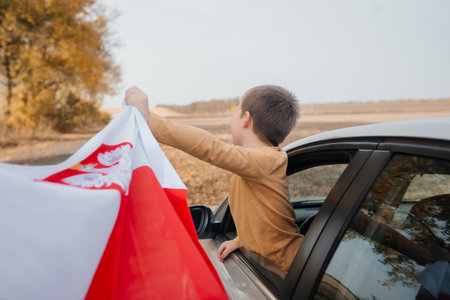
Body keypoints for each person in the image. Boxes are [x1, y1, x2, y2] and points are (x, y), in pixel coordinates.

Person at [125, 85, 303, 273]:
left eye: (235, 113)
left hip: (292, 268)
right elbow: (262, 216)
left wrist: (149, 120)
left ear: (245, 119)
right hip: (280, 268)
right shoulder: (254, 164)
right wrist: (240, 240)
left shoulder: (268, 160)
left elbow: (213, 148)